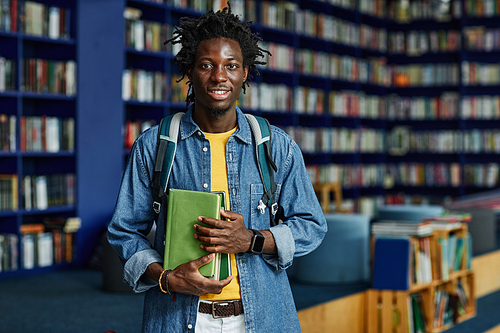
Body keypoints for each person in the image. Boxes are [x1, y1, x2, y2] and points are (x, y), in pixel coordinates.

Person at [107, 4, 327, 332]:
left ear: (245, 73)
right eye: (207, 65)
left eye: (231, 65)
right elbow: (125, 231)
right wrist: (167, 278)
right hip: (177, 317)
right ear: (190, 71)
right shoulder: (155, 145)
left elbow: (311, 226)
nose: (219, 76)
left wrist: (252, 239)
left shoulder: (275, 146)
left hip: (262, 318)